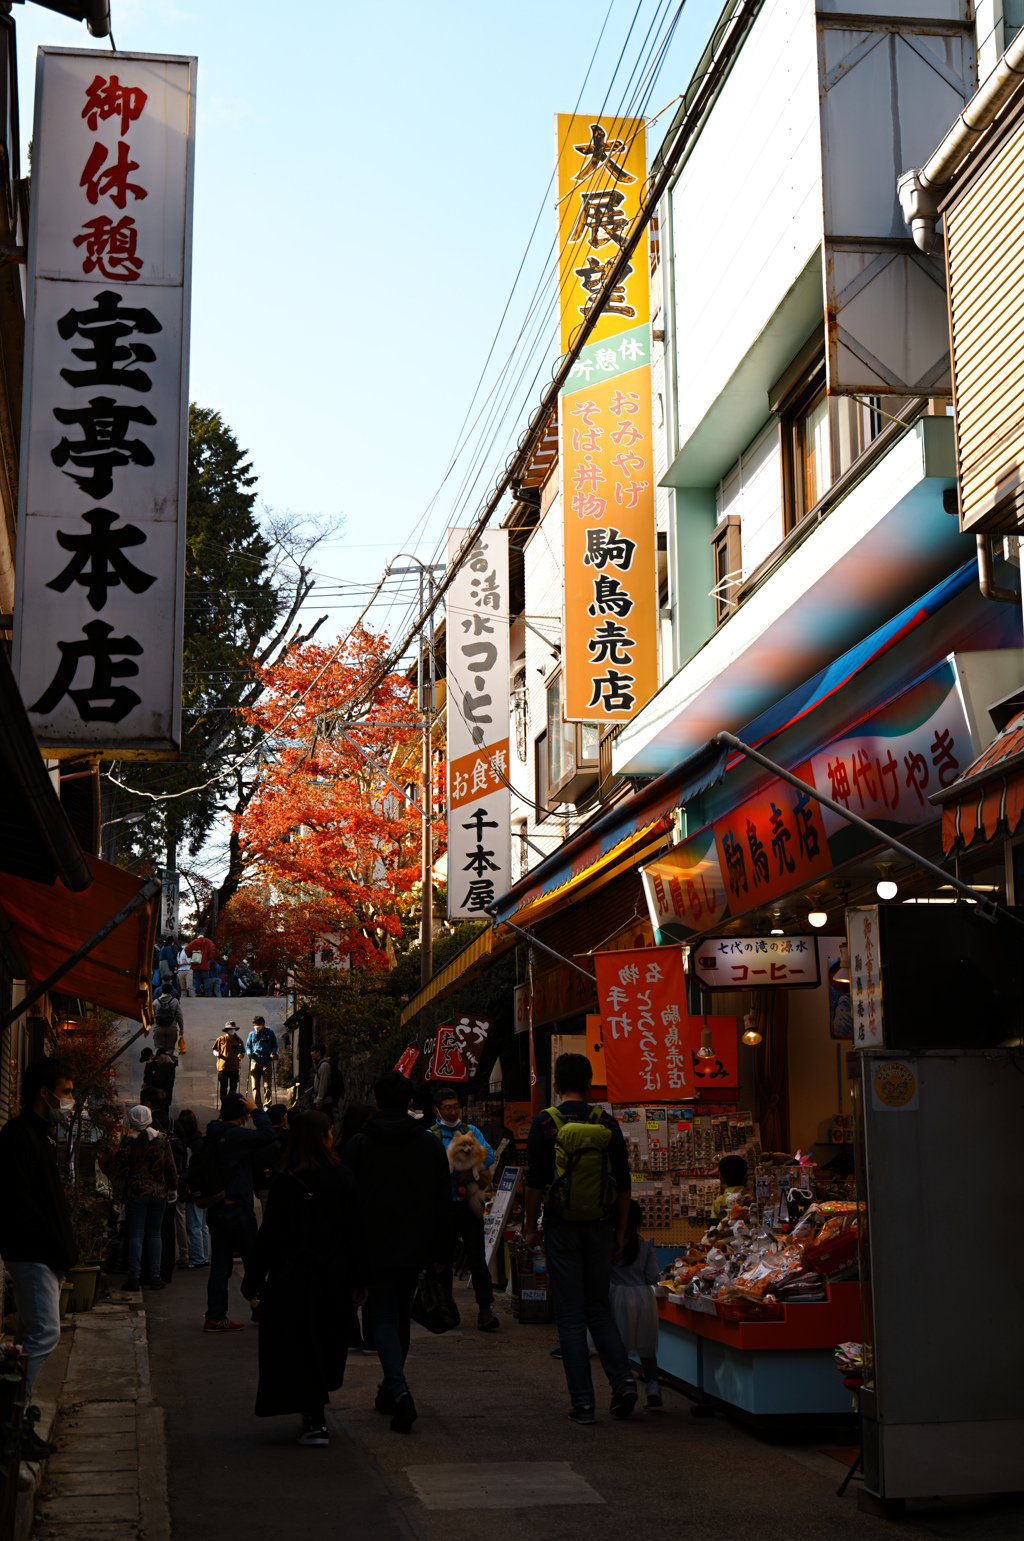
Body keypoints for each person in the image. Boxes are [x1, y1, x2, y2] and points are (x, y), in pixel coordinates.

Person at [523, 1052, 637, 1425]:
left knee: (570, 1315)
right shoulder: (606, 1122)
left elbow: (535, 1181)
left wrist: (530, 1227)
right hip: (601, 1227)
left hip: (561, 1229)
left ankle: (584, 1403)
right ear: (590, 1085)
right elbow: (622, 1183)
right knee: (598, 1308)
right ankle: (623, 1382)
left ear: (555, 1086)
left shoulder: (545, 1123)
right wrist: (619, 1232)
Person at [241, 1111, 366, 1446]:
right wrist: (360, 1278)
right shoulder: (342, 1177)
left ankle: (314, 1416)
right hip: (334, 1273)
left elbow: (270, 1235)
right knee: (327, 1340)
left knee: (300, 1344)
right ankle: (316, 1409)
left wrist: (252, 1279)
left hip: (293, 1276)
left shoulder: (286, 1181)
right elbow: (355, 1230)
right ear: (323, 1137)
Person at [344, 1072, 450, 1433]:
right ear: (409, 1103)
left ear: (375, 1101)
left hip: (373, 1244)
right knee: (400, 1315)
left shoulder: (359, 1144)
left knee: (384, 1317)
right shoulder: (429, 1144)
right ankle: (391, 1389)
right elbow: (442, 1200)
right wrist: (440, 1250)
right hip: (415, 1244)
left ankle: (399, 1390)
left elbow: (348, 1204)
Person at [0, 1057, 77, 1451]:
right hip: (32, 1253)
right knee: (45, 1332)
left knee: (28, 1336)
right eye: (65, 1092)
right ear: (43, 1093)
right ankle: (10, 1419)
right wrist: (52, 1243)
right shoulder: (19, 1136)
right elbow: (21, 1202)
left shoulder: (39, 1134)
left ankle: (17, 1420)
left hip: (41, 1252)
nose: (69, 1101)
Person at [200, 1092, 275, 1331]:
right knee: (255, 1261)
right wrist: (256, 1110)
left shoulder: (215, 1133)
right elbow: (268, 1135)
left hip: (218, 1208)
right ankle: (263, 1309)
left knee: (221, 1266)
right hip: (237, 1211)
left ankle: (215, 1315)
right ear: (242, 1112)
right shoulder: (235, 1135)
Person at [429, 1090, 499, 1332]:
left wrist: (468, 1168)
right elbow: (433, 1166)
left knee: (477, 1257)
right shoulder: (432, 1135)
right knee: (443, 1260)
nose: (452, 1111)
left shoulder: (472, 1130)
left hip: (469, 1203)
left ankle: (485, 1309)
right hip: (444, 1205)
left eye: (455, 1106)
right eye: (447, 1107)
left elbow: (488, 1154)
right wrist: (456, 1171)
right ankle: (445, 1308)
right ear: (436, 1110)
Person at [114, 1105, 177, 1293]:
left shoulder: (127, 1141)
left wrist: (117, 1198)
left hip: (135, 1193)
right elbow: (170, 1167)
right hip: (158, 1193)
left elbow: (120, 1173)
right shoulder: (162, 1139)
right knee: (154, 1235)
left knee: (135, 1235)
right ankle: (155, 1277)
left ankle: (134, 1277)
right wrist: (173, 1188)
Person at [609, 1200, 663, 1410]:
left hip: (615, 1297)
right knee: (646, 1347)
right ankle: (652, 1386)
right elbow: (653, 1277)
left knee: (617, 1348)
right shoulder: (646, 1246)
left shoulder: (609, 1246)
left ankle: (624, 1385)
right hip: (643, 1298)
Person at [339, 1102, 376, 1353]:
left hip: (346, 1226)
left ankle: (352, 1336)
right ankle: (371, 1339)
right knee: (370, 1283)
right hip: (369, 1224)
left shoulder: (340, 1152)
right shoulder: (372, 1150)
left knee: (350, 1281)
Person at [173, 1109, 208, 1268]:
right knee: (202, 1225)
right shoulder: (201, 1142)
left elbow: (185, 1167)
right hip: (204, 1185)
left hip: (192, 1187)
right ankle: (204, 1255)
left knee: (193, 1224)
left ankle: (197, 1258)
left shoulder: (187, 1146)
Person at [252, 1102, 289, 1218]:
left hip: (265, 1184)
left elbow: (254, 1161)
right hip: (285, 1183)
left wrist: (256, 1186)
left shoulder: (259, 1137)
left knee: (268, 1217)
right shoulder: (288, 1136)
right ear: (282, 1118)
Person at [246, 1016, 278, 1109]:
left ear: (263, 1024)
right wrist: (249, 1053)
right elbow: (248, 1046)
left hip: (267, 1061)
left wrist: (273, 1053)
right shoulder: (252, 1034)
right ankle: (257, 1105)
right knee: (255, 1085)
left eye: (258, 1025)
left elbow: (275, 1045)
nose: (256, 1027)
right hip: (255, 1062)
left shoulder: (270, 1033)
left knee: (267, 1085)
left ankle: (267, 1104)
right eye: (254, 1025)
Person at [711, 1154, 750, 1221]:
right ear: (746, 1177)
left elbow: (713, 1227)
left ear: (721, 1180)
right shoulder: (752, 1198)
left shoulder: (718, 1202)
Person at [213, 1022, 244, 1102]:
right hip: (223, 1067)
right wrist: (217, 1053)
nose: (231, 1031)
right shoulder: (220, 1039)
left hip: (235, 1067)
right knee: (223, 1087)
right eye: (230, 1029)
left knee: (233, 1089)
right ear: (226, 1030)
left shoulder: (239, 1040)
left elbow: (243, 1052)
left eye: (232, 1029)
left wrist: (241, 1055)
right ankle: (223, 1104)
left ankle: (232, 1105)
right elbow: (214, 1049)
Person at [152, 984, 184, 1055]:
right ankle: (168, 1064)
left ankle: (157, 1063)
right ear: (171, 991)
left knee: (157, 1047)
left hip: (158, 1028)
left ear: (161, 991)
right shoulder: (175, 1001)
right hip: (172, 1028)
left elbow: (150, 1015)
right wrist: (181, 1028)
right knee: (170, 1048)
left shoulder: (156, 1002)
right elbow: (179, 1016)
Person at [309, 1043, 337, 1118]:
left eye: (313, 1051)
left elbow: (323, 1085)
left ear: (318, 1052)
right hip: (319, 1099)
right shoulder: (319, 1065)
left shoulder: (324, 1066)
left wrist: (319, 1101)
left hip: (325, 1102)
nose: (311, 1053)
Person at [186, 929, 216, 996]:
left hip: (195, 963)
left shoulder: (193, 942)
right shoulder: (209, 942)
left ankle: (198, 992)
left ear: (197, 934)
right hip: (204, 963)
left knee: (197, 979)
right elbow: (213, 951)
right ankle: (207, 992)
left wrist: (191, 956)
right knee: (206, 978)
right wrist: (208, 958)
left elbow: (187, 949)